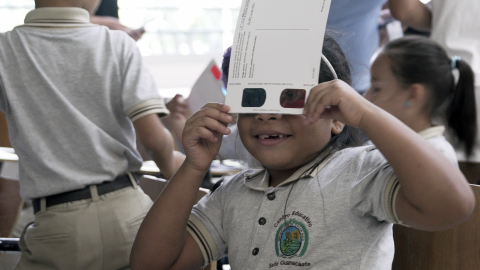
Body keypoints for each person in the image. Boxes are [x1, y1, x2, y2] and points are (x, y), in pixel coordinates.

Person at [130, 34, 475, 270]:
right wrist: (192, 167)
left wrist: (368, 115)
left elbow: (452, 206)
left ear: (337, 117)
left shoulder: (360, 172)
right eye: (253, 99)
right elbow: (152, 264)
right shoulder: (234, 193)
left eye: (289, 97)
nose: (266, 113)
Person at [0, 0, 185, 268]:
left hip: (60, 225)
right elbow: (154, 140)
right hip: (130, 213)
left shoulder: (6, 49)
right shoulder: (118, 44)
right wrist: (177, 167)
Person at [388, 0, 480, 183]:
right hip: (453, 81)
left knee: (440, 182)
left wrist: (445, 20)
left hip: (445, 75)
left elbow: (403, 10)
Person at [364, 36, 477, 164]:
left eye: (377, 88)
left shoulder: (435, 158)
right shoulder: (384, 143)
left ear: (413, 94)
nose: (366, 97)